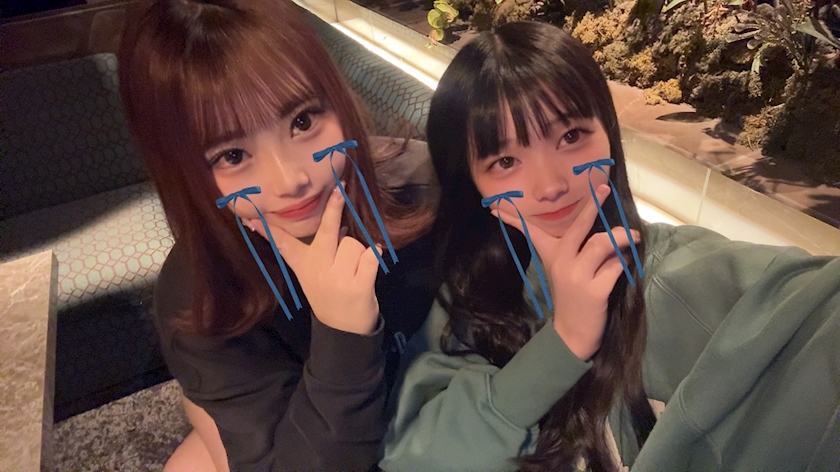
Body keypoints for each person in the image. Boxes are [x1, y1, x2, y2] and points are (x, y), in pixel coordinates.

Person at [380, 21, 840, 472]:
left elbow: (814, 311)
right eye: (505, 160)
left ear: (608, 134)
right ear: (473, 181)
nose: (551, 185)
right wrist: (564, 342)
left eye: (571, 137)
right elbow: (414, 458)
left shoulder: (681, 273)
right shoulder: (467, 298)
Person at [118, 0, 437, 470]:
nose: (291, 179)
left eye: (302, 122)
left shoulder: (424, 187)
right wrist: (343, 333)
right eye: (231, 155)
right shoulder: (200, 298)